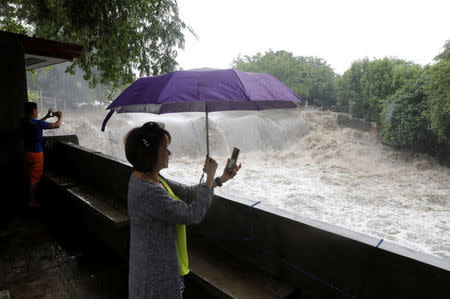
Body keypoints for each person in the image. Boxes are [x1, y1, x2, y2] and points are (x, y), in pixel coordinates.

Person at [125, 122, 241, 299]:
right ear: (150, 155)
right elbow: (192, 214)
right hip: (156, 275)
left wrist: (220, 179)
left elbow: (186, 193)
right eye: (164, 148)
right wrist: (209, 177)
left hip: (158, 265)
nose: (169, 153)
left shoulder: (151, 179)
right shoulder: (148, 191)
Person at [23, 102, 63, 208]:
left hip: (27, 153)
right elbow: (57, 125)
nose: (37, 111)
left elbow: (37, 123)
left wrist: (46, 116)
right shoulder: (36, 123)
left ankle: (30, 198)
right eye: (36, 110)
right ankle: (32, 201)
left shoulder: (25, 121)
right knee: (35, 178)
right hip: (36, 154)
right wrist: (60, 117)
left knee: (30, 176)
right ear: (33, 111)